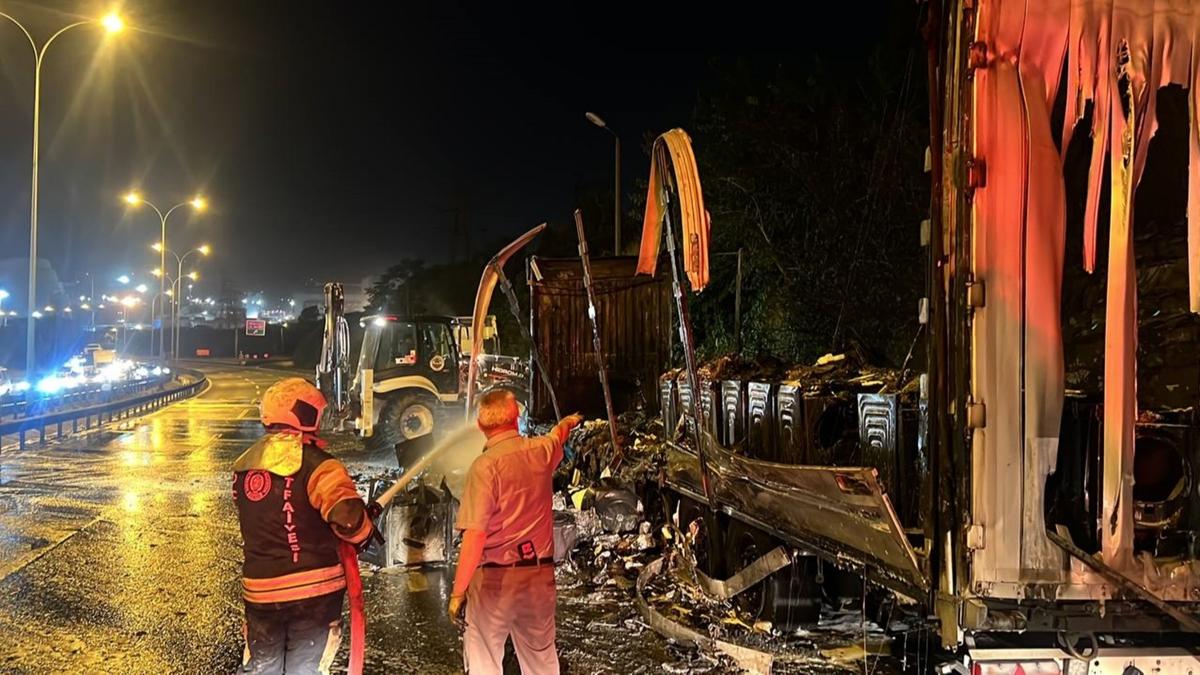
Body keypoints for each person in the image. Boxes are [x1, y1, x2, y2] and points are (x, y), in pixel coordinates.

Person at [233, 377, 375, 674]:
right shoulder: (319, 465)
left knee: (262, 668)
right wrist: (365, 528)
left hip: (260, 592)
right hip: (313, 594)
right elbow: (349, 520)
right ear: (306, 414)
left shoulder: (243, 467)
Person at [449, 389, 583, 674]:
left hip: (494, 582)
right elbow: (557, 436)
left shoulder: (484, 467)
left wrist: (458, 593)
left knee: (484, 660)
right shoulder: (540, 451)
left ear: (480, 426)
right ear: (517, 419)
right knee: (542, 661)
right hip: (538, 578)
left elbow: (475, 536)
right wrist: (569, 422)